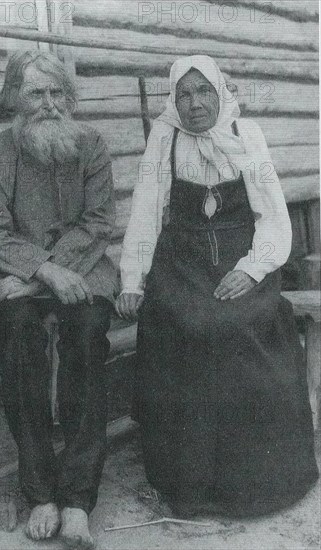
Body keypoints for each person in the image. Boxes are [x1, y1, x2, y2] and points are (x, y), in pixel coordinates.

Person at [115, 55, 318, 518]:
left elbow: (273, 214)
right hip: (181, 262)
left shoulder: (247, 136)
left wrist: (252, 268)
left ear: (220, 92)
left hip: (242, 258)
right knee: (185, 324)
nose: (195, 103)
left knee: (246, 323)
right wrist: (132, 277)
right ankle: (189, 482)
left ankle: (261, 480)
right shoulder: (164, 140)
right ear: (174, 101)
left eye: (203, 91)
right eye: (184, 95)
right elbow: (146, 211)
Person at [0, 50, 118, 548]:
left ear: (69, 97)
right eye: (36, 92)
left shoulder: (92, 145)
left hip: (82, 272)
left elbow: (99, 222)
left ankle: (77, 499)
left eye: (57, 92)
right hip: (21, 275)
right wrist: (44, 270)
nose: (49, 104)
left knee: (86, 337)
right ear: (16, 97)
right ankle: (40, 494)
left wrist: (52, 273)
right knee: (19, 341)